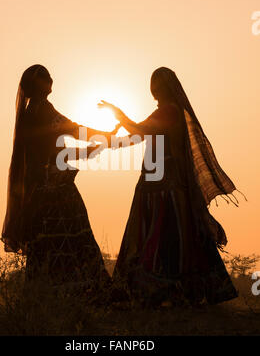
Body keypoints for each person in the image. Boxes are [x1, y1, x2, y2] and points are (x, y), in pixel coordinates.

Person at [99, 67, 240, 306]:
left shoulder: (170, 111)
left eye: (156, 85)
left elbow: (140, 130)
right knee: (160, 238)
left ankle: (170, 293)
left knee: (168, 239)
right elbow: (137, 135)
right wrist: (104, 141)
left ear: (161, 88)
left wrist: (119, 115)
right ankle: (161, 294)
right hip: (153, 186)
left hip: (167, 189)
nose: (153, 90)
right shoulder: (163, 112)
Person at [2, 64, 113, 289]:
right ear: (41, 85)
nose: (52, 79)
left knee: (46, 243)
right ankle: (87, 291)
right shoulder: (44, 109)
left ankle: (46, 295)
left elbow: (55, 150)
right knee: (74, 238)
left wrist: (89, 150)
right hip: (55, 187)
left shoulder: (30, 113)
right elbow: (72, 129)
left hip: (38, 191)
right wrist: (105, 136)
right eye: (47, 77)